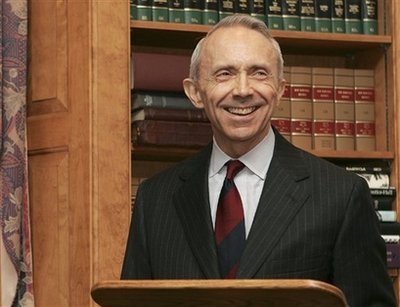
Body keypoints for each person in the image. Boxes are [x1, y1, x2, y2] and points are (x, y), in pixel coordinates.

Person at [121, 14, 397, 306]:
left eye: (259, 73)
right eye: (224, 73)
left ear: (280, 90)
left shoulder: (342, 196)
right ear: (195, 92)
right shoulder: (154, 200)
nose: (242, 90)